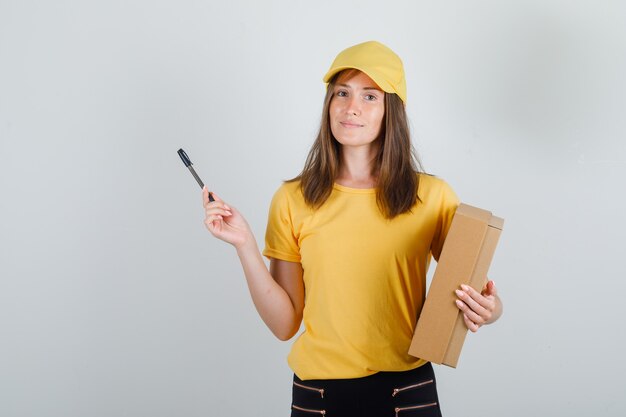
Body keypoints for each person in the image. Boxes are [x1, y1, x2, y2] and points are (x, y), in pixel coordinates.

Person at [202, 40, 502, 417]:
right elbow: (283, 324)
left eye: (370, 96)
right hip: (319, 397)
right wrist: (244, 244)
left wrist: (489, 309)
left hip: (408, 392)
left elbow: (480, 292)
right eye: (341, 93)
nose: (351, 107)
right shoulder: (293, 199)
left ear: (391, 110)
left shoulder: (433, 196)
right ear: (329, 103)